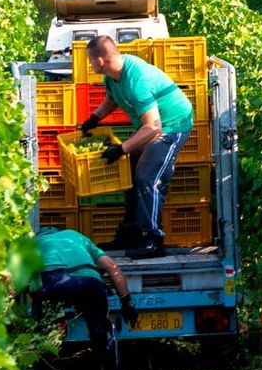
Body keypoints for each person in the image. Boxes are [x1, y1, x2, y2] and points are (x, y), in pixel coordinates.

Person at [80, 34, 195, 259]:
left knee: (147, 178)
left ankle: (152, 240)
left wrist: (122, 149)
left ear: (100, 60)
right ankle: (129, 233)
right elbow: (112, 99)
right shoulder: (113, 76)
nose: (90, 64)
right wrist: (94, 119)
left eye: (91, 60)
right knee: (130, 176)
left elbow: (153, 127)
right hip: (152, 126)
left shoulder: (137, 80)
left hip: (172, 125)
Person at [34, 225, 134, 370]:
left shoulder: (32, 244)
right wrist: (127, 302)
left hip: (54, 281)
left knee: (46, 328)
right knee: (100, 327)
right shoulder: (75, 236)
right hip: (89, 281)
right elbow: (112, 267)